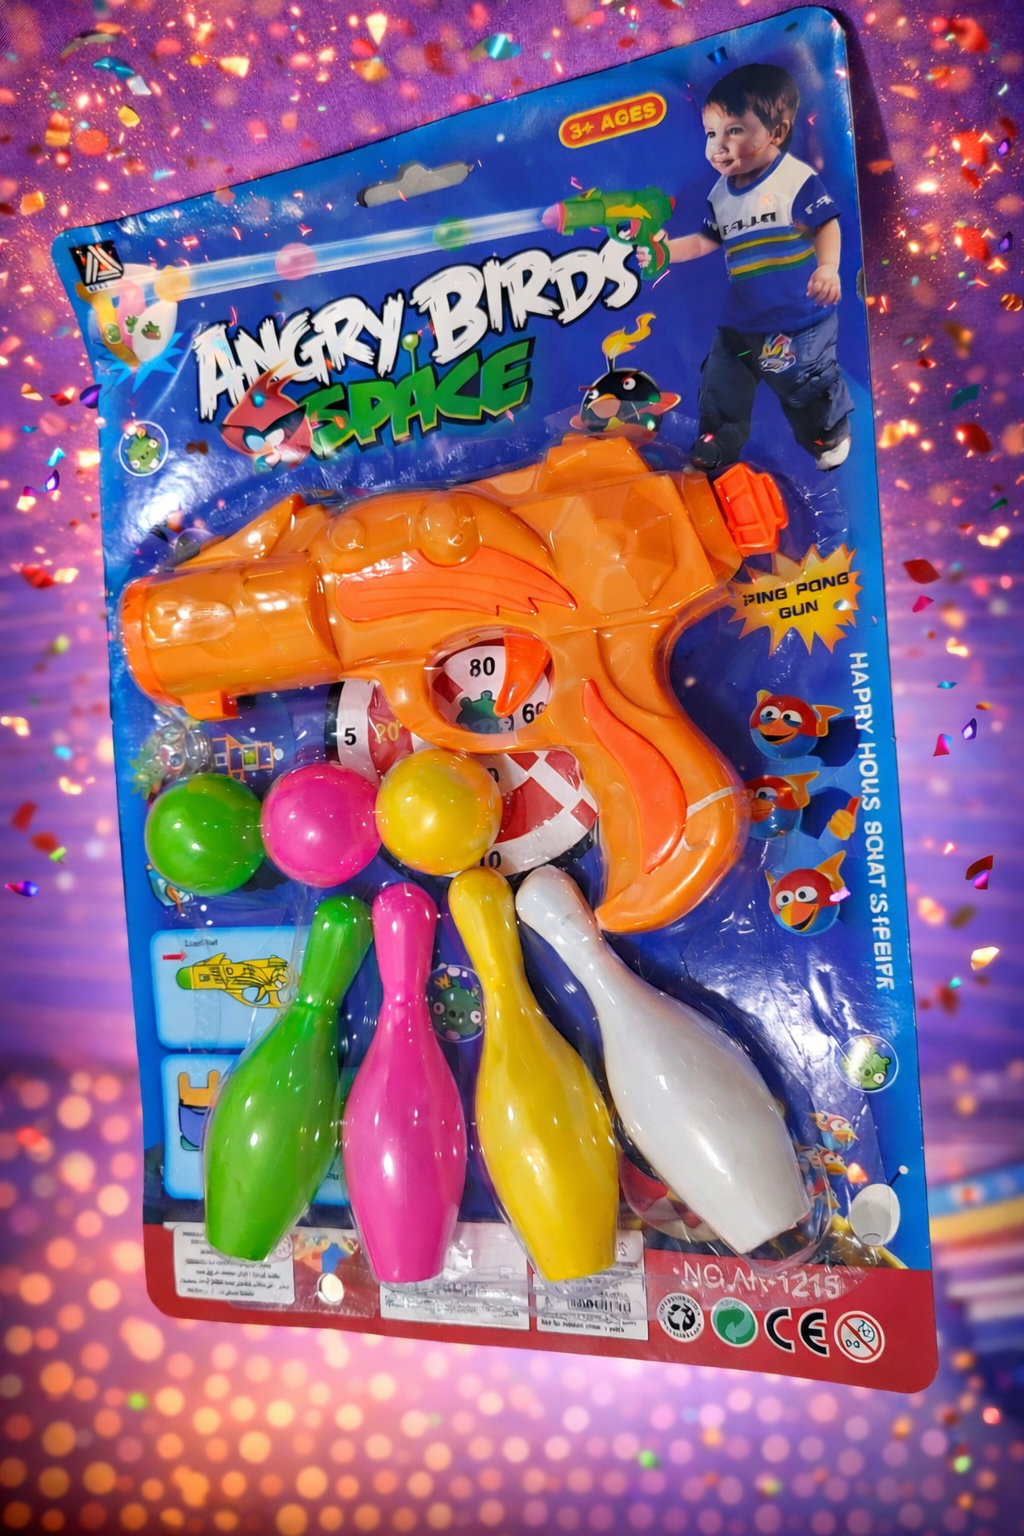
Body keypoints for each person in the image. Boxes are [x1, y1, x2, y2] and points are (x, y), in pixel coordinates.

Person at [642, 63, 853, 471]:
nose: (718, 146)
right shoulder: (720, 194)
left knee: (802, 383)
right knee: (721, 385)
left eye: (734, 130)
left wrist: (828, 267)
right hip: (740, 323)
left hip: (797, 319)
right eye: (711, 134)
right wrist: (666, 252)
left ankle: (828, 433)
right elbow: (706, 240)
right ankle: (716, 446)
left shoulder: (793, 180)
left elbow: (826, 223)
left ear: (776, 132)